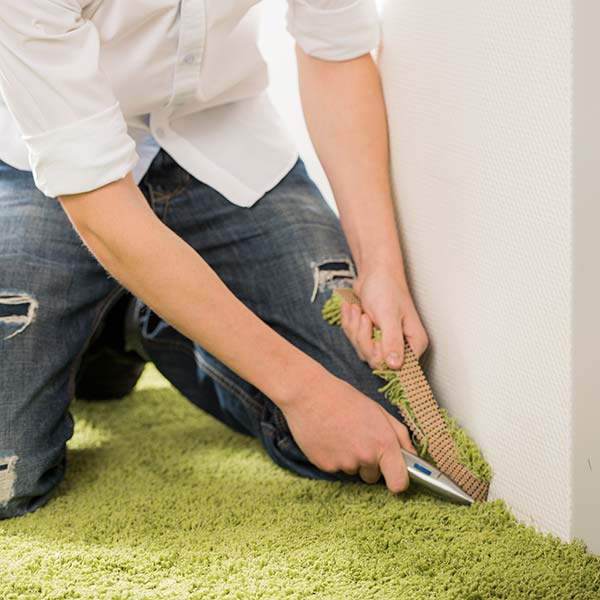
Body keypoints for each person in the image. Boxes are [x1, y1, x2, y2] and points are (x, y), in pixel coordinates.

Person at [0, 0, 429, 520]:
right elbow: (99, 202)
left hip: (224, 143)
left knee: (376, 414)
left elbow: (335, 49)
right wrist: (305, 392)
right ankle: (105, 331)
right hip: (47, 165)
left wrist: (380, 267)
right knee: (7, 475)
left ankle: (143, 318)